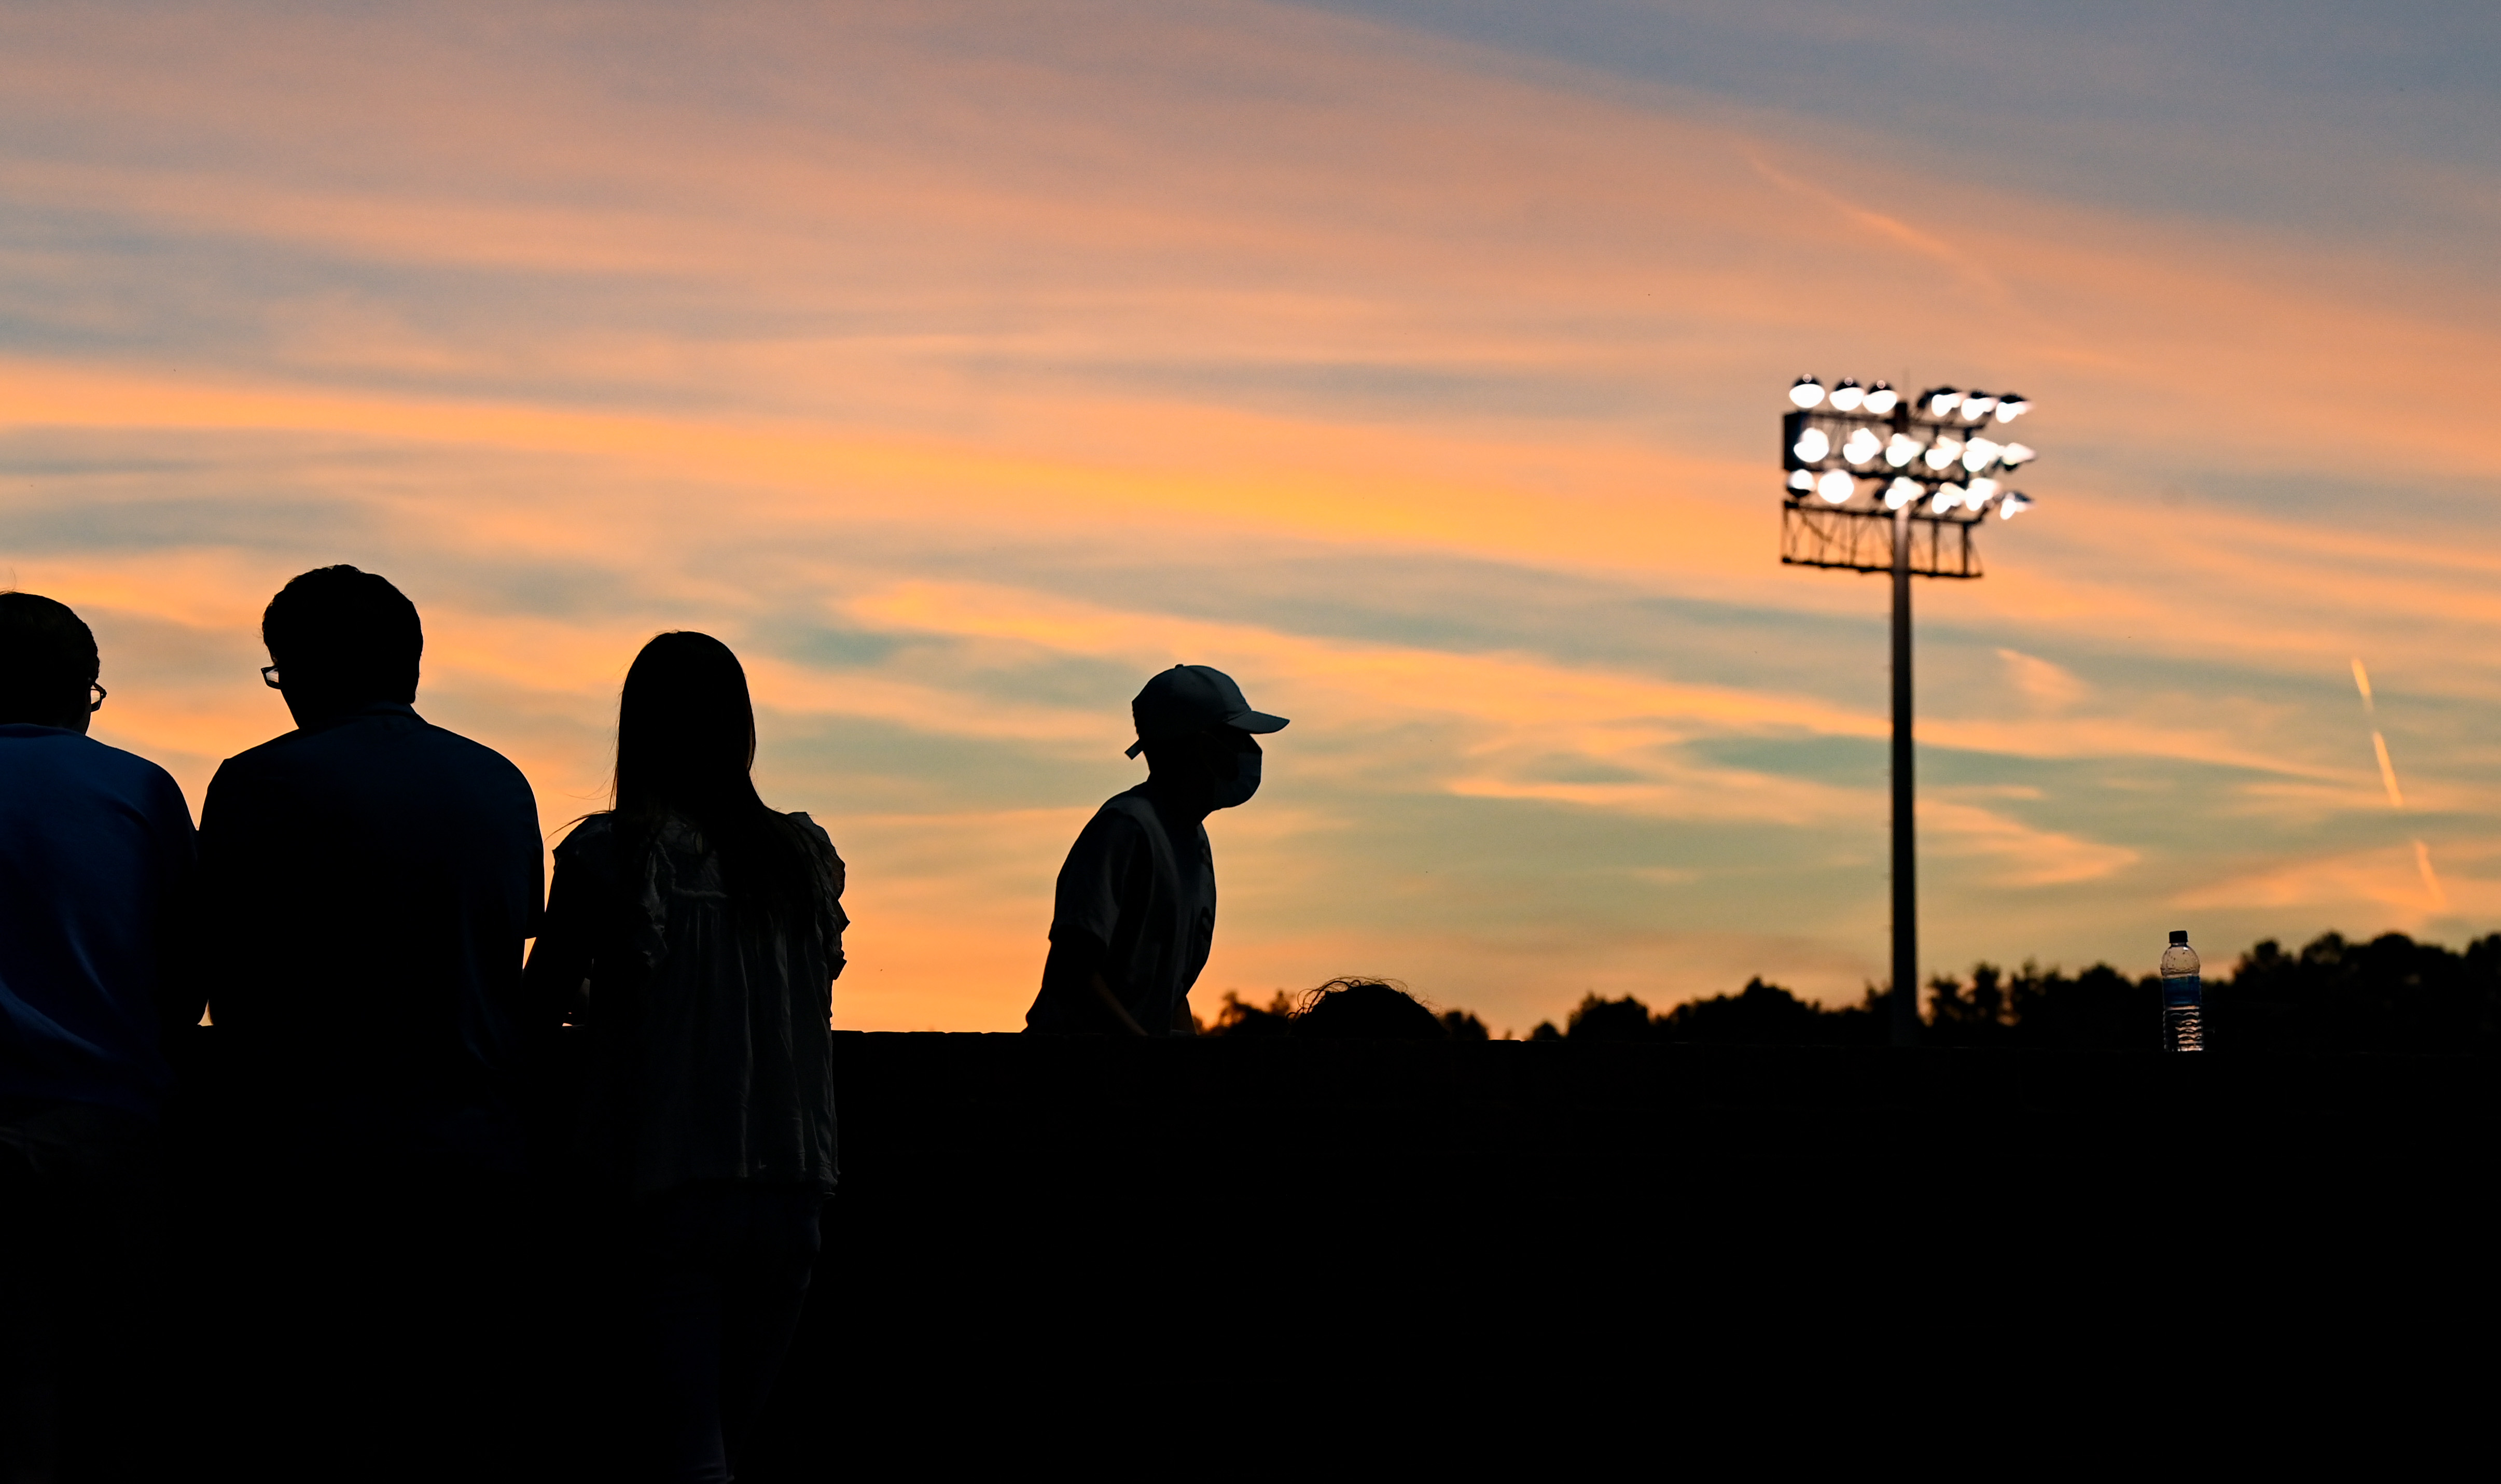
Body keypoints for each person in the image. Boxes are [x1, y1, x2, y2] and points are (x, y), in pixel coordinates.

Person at [190, 565, 545, 1471]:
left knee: (312, 1424)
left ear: (300, 671)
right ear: (412, 665)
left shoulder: (259, 782)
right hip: (475, 1152)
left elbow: (217, 964)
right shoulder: (500, 784)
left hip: (305, 1158)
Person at [523, 632, 846, 1484]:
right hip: (794, 1186)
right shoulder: (801, 858)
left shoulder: (614, 854)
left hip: (669, 1180)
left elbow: (537, 1010)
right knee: (724, 1444)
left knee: (679, 1453)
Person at [0, 592, 197, 1481]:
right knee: (113, 1391)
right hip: (109, 1123)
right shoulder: (141, 790)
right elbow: (188, 966)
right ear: (82, 690)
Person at [1026, 664, 1286, 1037]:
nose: (1250, 749)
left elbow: (1167, 988)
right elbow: (1070, 973)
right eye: (1238, 736)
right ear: (1202, 746)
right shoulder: (1126, 829)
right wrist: (1147, 1063)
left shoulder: (1191, 840)